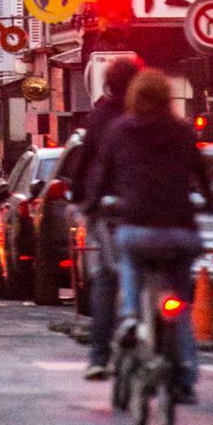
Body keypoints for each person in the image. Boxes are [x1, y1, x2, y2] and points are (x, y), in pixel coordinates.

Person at [81, 66, 213, 403]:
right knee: (180, 306)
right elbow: (202, 173)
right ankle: (184, 375)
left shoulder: (120, 130)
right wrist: (211, 203)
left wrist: (93, 204)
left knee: (129, 264)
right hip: (179, 231)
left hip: (136, 227)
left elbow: (100, 173)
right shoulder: (183, 132)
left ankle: (128, 318)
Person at [69, 53, 142, 379]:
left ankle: (99, 355)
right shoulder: (155, 114)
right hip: (151, 211)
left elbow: (89, 162)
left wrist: (81, 197)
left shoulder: (103, 118)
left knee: (107, 279)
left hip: (111, 209)